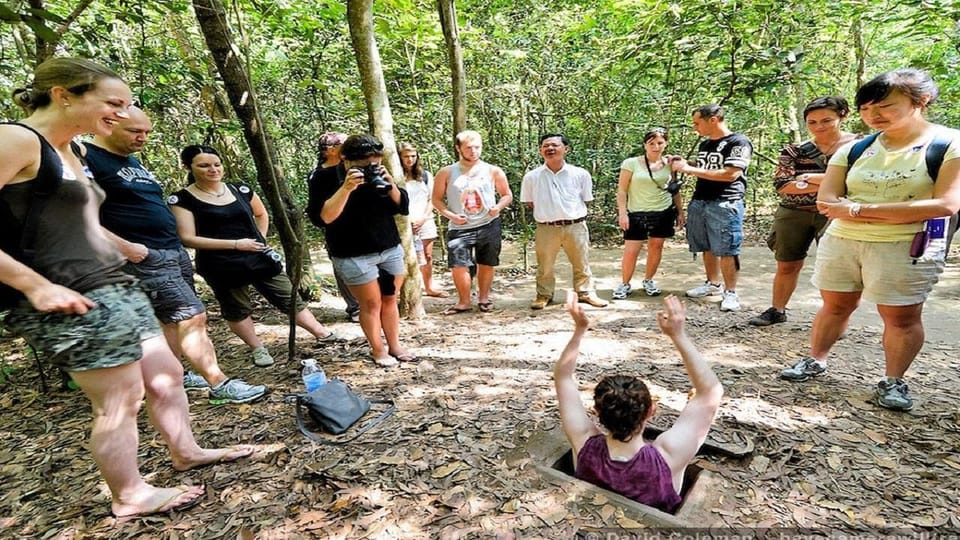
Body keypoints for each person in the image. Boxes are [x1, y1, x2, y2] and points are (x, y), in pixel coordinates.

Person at [0, 57, 252, 518]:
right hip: (70, 294)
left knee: (167, 376)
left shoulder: (69, 151)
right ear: (64, 95)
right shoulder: (16, 139)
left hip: (115, 284)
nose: (121, 112)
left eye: (127, 103)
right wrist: (33, 286)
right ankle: (129, 494)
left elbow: (81, 221)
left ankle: (185, 451)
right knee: (120, 399)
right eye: (112, 102)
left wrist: (127, 251)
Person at [779, 69, 960, 411]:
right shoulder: (856, 148)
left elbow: (945, 204)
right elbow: (827, 201)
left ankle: (894, 380)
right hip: (844, 241)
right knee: (835, 305)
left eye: (885, 106)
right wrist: (885, 210)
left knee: (901, 317)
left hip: (907, 244)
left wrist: (859, 209)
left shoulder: (948, 143)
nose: (873, 116)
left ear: (920, 102)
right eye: (865, 109)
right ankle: (816, 359)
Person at [86, 107, 267, 404]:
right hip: (143, 256)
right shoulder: (86, 157)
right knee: (192, 316)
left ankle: (176, 374)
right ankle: (219, 384)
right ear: (106, 123)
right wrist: (126, 248)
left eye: (146, 132)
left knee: (170, 320)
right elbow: (75, 214)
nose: (142, 138)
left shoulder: (130, 161)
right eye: (135, 131)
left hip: (170, 251)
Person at [169, 145, 340, 368]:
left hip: (258, 256)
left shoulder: (240, 189)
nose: (213, 169)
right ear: (188, 167)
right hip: (220, 264)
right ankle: (257, 348)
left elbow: (261, 213)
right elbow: (187, 238)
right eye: (204, 165)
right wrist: (236, 245)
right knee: (237, 307)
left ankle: (320, 332)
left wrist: (261, 238)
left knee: (287, 296)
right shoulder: (181, 199)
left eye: (216, 164)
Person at [554, 291, 723, 513]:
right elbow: (711, 391)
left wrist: (579, 330)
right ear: (651, 411)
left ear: (596, 411)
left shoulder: (583, 442)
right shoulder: (668, 455)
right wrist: (678, 335)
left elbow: (563, 377)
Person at [306, 134, 416, 367]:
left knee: (390, 299)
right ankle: (378, 350)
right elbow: (323, 217)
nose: (369, 169)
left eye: (374, 163)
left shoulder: (380, 173)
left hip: (389, 247)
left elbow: (403, 207)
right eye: (363, 165)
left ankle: (395, 345)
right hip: (352, 253)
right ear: (345, 159)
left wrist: (390, 184)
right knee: (371, 304)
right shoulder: (324, 178)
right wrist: (346, 188)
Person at [749, 97, 857, 326]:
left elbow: (858, 182)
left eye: (827, 120)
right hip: (793, 213)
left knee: (836, 267)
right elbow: (783, 184)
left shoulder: (861, 147)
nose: (819, 127)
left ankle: (835, 320)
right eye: (812, 122)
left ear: (843, 116)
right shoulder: (794, 150)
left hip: (836, 214)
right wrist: (834, 181)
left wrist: (808, 178)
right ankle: (777, 310)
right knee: (787, 263)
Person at [671, 105, 753, 312]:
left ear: (713, 120)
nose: (694, 127)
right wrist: (683, 163)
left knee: (726, 248)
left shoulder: (738, 142)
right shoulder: (706, 144)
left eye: (697, 123)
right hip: (701, 200)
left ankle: (731, 292)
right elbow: (706, 169)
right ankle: (713, 284)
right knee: (706, 245)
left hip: (725, 201)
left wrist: (688, 169)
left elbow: (730, 174)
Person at [521, 133, 607, 310]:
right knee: (545, 265)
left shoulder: (580, 174)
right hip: (546, 227)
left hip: (575, 226)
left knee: (581, 262)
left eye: (555, 145)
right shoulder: (532, 177)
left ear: (566, 149)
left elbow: (585, 198)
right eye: (545, 146)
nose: (550, 149)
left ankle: (585, 292)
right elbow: (530, 202)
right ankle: (544, 295)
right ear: (540, 150)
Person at [432, 130, 513, 314]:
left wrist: (498, 207)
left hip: (488, 223)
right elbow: (436, 200)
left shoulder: (493, 170)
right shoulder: (446, 172)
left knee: (486, 262)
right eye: (469, 148)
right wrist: (451, 216)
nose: (474, 151)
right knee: (459, 264)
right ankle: (464, 301)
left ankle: (484, 298)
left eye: (477, 147)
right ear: (458, 148)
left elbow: (507, 195)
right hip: (460, 227)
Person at [612, 128, 685, 300]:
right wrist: (622, 213)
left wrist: (681, 211)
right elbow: (622, 190)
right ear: (645, 144)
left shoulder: (670, 163)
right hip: (637, 212)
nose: (656, 147)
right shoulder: (631, 163)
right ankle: (625, 283)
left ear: (666, 144)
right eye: (651, 143)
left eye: (660, 143)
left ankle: (649, 280)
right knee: (631, 250)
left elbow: (674, 189)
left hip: (663, 211)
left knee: (656, 247)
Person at [308, 131, 360, 323]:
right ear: (329, 150)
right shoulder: (318, 175)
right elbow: (317, 209)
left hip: (361, 224)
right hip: (336, 227)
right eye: (342, 144)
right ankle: (354, 306)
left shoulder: (352, 167)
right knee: (342, 266)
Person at [398, 141, 448, 298]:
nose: (410, 159)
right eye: (406, 156)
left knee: (427, 256)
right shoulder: (395, 176)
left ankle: (429, 287)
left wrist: (423, 218)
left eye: (413, 156)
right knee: (401, 257)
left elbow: (432, 199)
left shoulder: (425, 176)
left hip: (424, 220)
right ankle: (404, 290)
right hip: (402, 222)